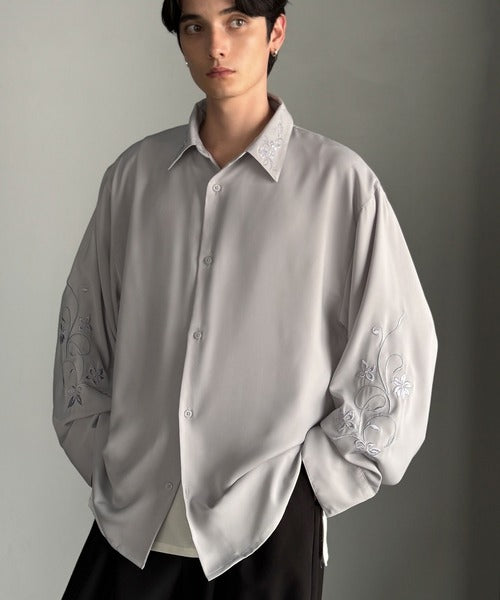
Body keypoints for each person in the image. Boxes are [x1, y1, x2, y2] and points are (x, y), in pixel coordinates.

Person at [52, 0, 438, 598]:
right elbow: (83, 341)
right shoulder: (133, 178)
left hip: (267, 533)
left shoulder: (341, 186)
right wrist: (117, 464)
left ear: (275, 30)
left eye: (236, 22)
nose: (216, 46)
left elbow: (398, 357)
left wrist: (308, 488)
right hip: (133, 528)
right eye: (195, 27)